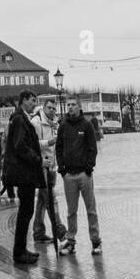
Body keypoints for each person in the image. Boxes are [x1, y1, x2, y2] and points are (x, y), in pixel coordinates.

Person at [56, 98, 101, 256]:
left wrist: (89, 167)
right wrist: (62, 169)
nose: (70, 107)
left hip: (84, 174)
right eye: (68, 105)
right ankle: (71, 242)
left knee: (91, 210)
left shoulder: (86, 125)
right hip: (69, 175)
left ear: (79, 107)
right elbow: (59, 148)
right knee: (71, 212)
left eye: (73, 104)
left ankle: (95, 241)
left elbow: (92, 148)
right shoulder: (63, 126)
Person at [4, 90, 45, 265]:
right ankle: (19, 252)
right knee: (25, 212)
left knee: (26, 212)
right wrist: (37, 159)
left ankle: (21, 249)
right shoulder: (20, 119)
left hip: (24, 173)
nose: (34, 103)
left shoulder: (20, 118)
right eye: (32, 100)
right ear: (23, 101)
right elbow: (20, 146)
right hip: (24, 174)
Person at [31, 99, 66, 245]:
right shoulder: (36, 122)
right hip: (41, 166)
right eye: (49, 108)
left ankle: (38, 231)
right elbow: (31, 143)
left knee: (42, 200)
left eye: (54, 108)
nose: (52, 111)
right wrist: (47, 142)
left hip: (51, 165)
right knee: (51, 199)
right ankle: (61, 233)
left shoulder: (55, 123)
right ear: (43, 108)